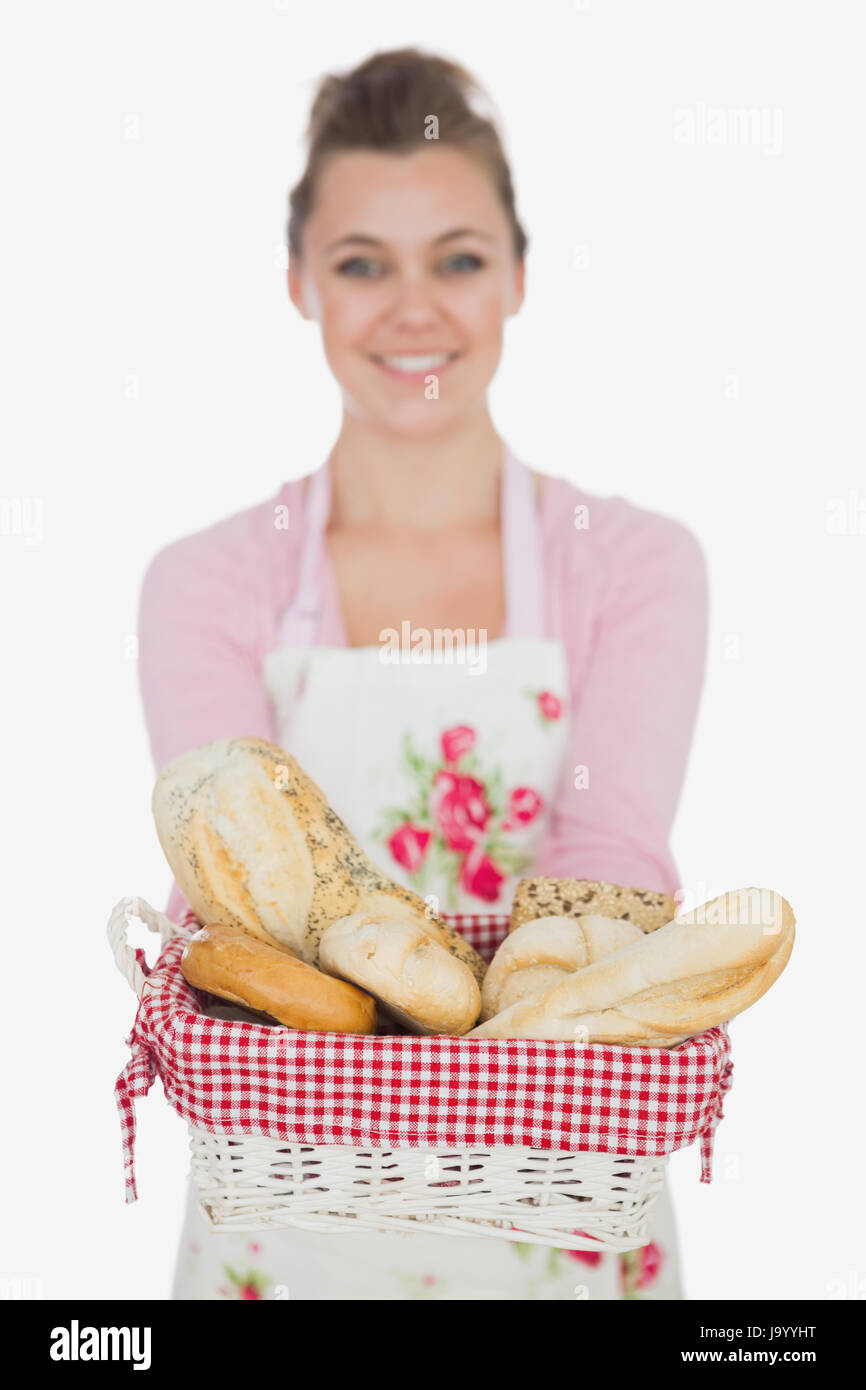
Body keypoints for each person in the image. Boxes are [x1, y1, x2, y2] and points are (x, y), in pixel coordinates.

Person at [138, 47, 708, 1301]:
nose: (414, 311)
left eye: (455, 257)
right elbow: (229, 918)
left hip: (564, 1209)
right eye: (360, 264)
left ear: (515, 274)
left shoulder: (630, 569)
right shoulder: (209, 585)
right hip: (282, 1224)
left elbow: (608, 869)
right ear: (299, 282)